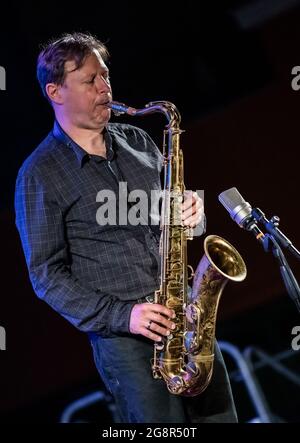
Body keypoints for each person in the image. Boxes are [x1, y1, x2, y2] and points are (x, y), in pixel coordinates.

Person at [15, 32, 237, 423]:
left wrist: (191, 213)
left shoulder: (138, 140)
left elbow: (177, 226)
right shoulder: (40, 175)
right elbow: (46, 276)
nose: (105, 88)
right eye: (89, 81)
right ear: (56, 91)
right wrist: (124, 315)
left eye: (106, 77)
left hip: (187, 321)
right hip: (128, 343)